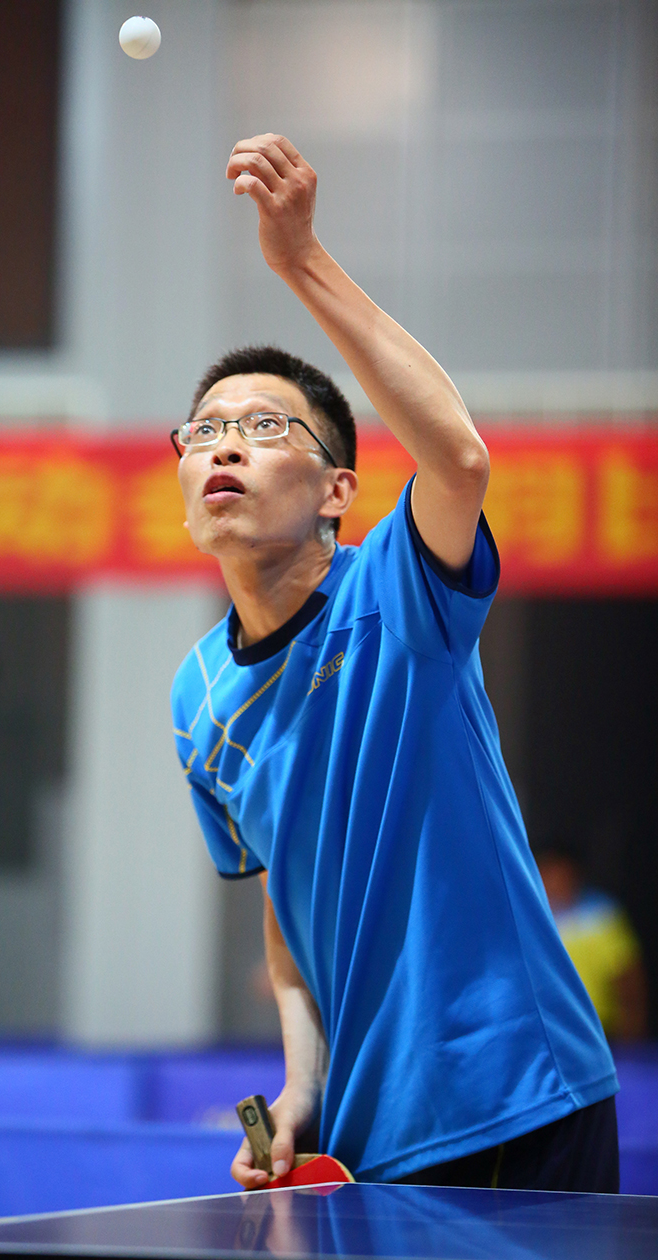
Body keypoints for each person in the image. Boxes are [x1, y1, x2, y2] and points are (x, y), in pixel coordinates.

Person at [170, 134, 619, 1192]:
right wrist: (301, 1085)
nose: (225, 444)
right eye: (205, 430)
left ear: (338, 491)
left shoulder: (395, 591)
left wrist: (299, 260)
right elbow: (288, 898)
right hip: (369, 1127)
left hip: (512, 1089)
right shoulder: (198, 695)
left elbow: (457, 459)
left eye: (266, 426)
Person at [535, 839, 648, 1042]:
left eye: (562, 874)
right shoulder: (529, 918)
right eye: (548, 874)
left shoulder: (601, 914)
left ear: (575, 875)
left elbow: (627, 975)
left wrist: (631, 1030)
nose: (555, 882)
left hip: (600, 1031)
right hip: (547, 1032)